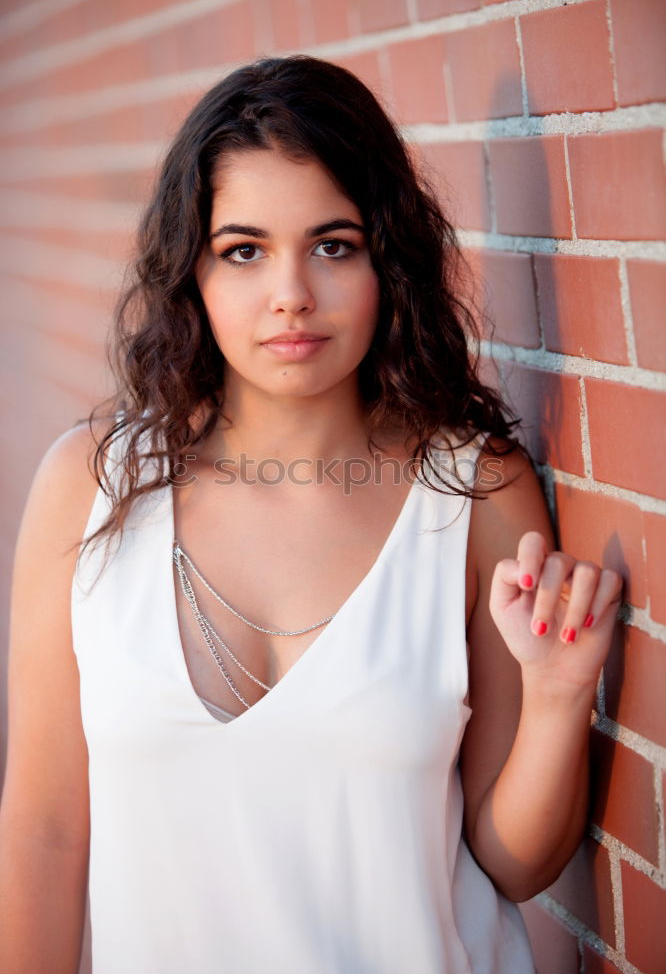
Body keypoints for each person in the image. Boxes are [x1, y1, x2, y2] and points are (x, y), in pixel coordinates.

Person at [0, 54, 622, 974]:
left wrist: (562, 699)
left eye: (333, 244)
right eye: (243, 250)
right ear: (193, 272)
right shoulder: (89, 488)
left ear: (386, 259)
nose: (291, 292)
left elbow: (514, 862)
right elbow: (48, 833)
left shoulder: (473, 488)